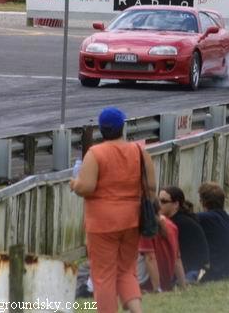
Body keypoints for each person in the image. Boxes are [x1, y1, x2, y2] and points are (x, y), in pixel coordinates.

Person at [70, 107, 155, 313]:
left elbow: (86, 187)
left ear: (101, 129)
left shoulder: (96, 153)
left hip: (102, 223)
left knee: (103, 275)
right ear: (122, 127)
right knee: (127, 271)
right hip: (132, 219)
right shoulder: (139, 152)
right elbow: (151, 187)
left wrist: (75, 184)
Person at [159, 186, 210, 282]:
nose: (159, 205)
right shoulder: (183, 219)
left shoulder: (177, 223)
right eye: (158, 201)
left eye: (163, 201)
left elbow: (174, 256)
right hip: (197, 267)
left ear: (176, 204)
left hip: (193, 270)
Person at [137, 199, 185, 293]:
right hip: (166, 282)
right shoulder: (171, 225)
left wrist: (157, 289)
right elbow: (177, 259)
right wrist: (183, 286)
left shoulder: (146, 229)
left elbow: (150, 258)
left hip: (147, 283)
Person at [196, 182, 229, 282]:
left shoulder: (205, 218)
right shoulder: (228, 218)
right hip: (226, 269)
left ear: (203, 202)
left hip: (214, 271)